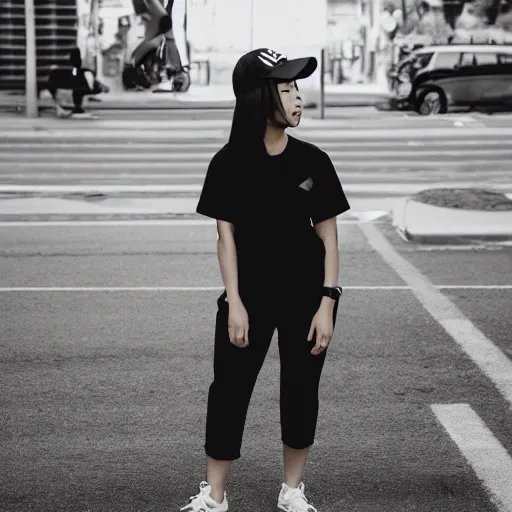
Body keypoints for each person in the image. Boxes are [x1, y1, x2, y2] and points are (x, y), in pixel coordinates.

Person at [182, 47, 350, 512]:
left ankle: (292, 491)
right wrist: (234, 301)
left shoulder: (313, 161)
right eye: (287, 89)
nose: (298, 99)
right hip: (249, 296)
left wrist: (327, 302)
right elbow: (226, 238)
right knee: (229, 392)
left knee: (301, 391)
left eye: (298, 89)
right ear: (259, 98)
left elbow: (329, 237)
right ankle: (214, 496)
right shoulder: (229, 163)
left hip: (306, 297)